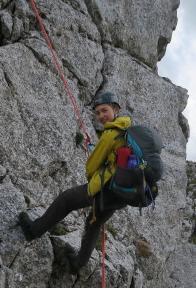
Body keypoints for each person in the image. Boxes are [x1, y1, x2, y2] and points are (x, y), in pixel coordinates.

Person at [18, 92, 137, 273]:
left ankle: (33, 230)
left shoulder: (111, 133)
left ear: (116, 109)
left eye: (104, 111)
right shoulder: (128, 130)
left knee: (66, 200)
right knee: (94, 223)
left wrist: (93, 179)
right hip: (125, 192)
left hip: (109, 188)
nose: (101, 116)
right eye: (97, 113)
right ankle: (78, 264)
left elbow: (92, 165)